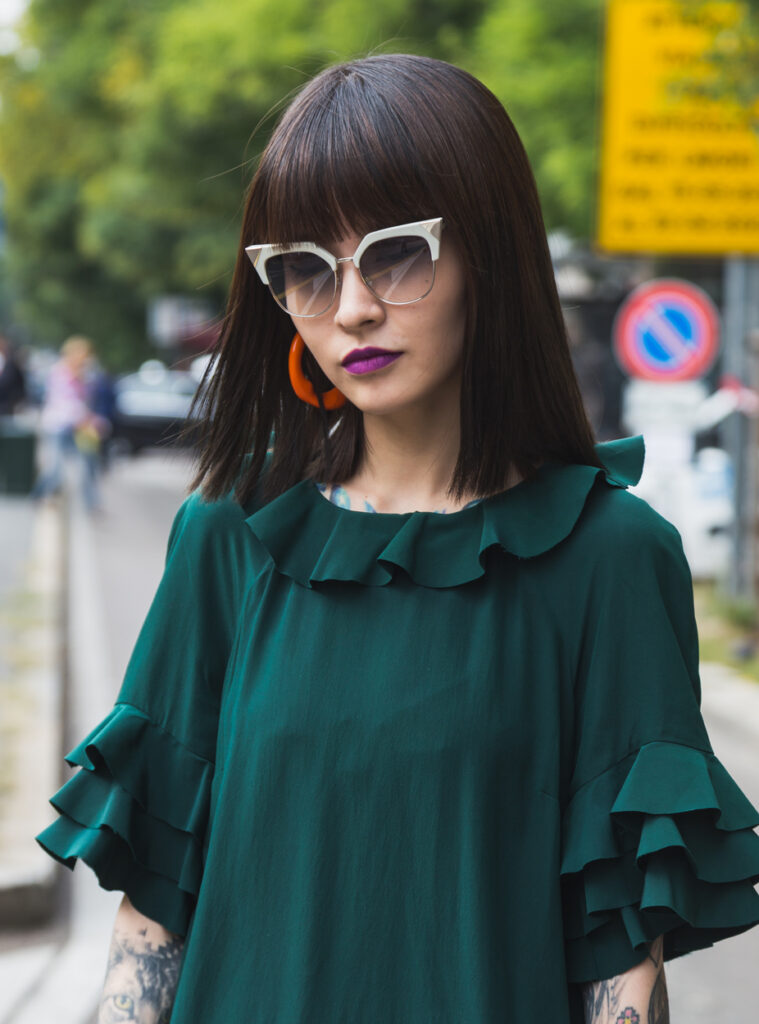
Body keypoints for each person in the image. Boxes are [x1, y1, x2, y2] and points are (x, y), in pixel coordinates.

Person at [37, 55, 759, 1024]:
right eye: (304, 267)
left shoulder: (610, 556)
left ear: (487, 254)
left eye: (395, 253)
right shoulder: (228, 537)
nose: (352, 308)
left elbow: (621, 971)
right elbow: (150, 925)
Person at [31, 336, 108, 513]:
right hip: (58, 426)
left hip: (78, 428)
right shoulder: (59, 373)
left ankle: (92, 503)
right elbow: (64, 403)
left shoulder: (85, 376)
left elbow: (87, 401)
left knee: (88, 465)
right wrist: (85, 418)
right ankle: (37, 496)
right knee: (55, 469)